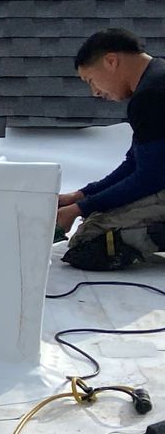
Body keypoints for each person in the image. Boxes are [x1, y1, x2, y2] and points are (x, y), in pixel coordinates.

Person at [58, 29, 165, 269]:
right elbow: (135, 163)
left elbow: (149, 178)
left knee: (89, 242)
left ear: (111, 61)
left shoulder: (151, 95)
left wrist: (79, 209)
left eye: (91, 81)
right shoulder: (156, 81)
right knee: (94, 217)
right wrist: (81, 196)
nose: (95, 92)